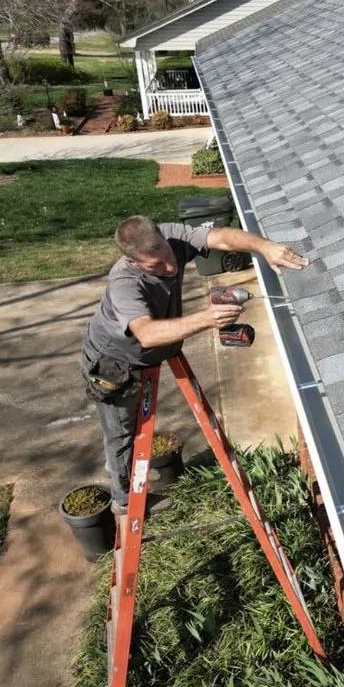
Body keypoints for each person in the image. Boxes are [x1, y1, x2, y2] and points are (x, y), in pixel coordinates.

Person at [80, 214, 309, 516]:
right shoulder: (125, 282)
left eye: (167, 254)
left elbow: (222, 237)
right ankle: (124, 499)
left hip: (162, 346)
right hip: (117, 362)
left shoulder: (170, 236)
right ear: (133, 261)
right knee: (122, 432)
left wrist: (264, 247)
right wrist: (206, 318)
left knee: (126, 430)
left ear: (162, 236)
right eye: (156, 265)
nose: (170, 266)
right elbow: (147, 334)